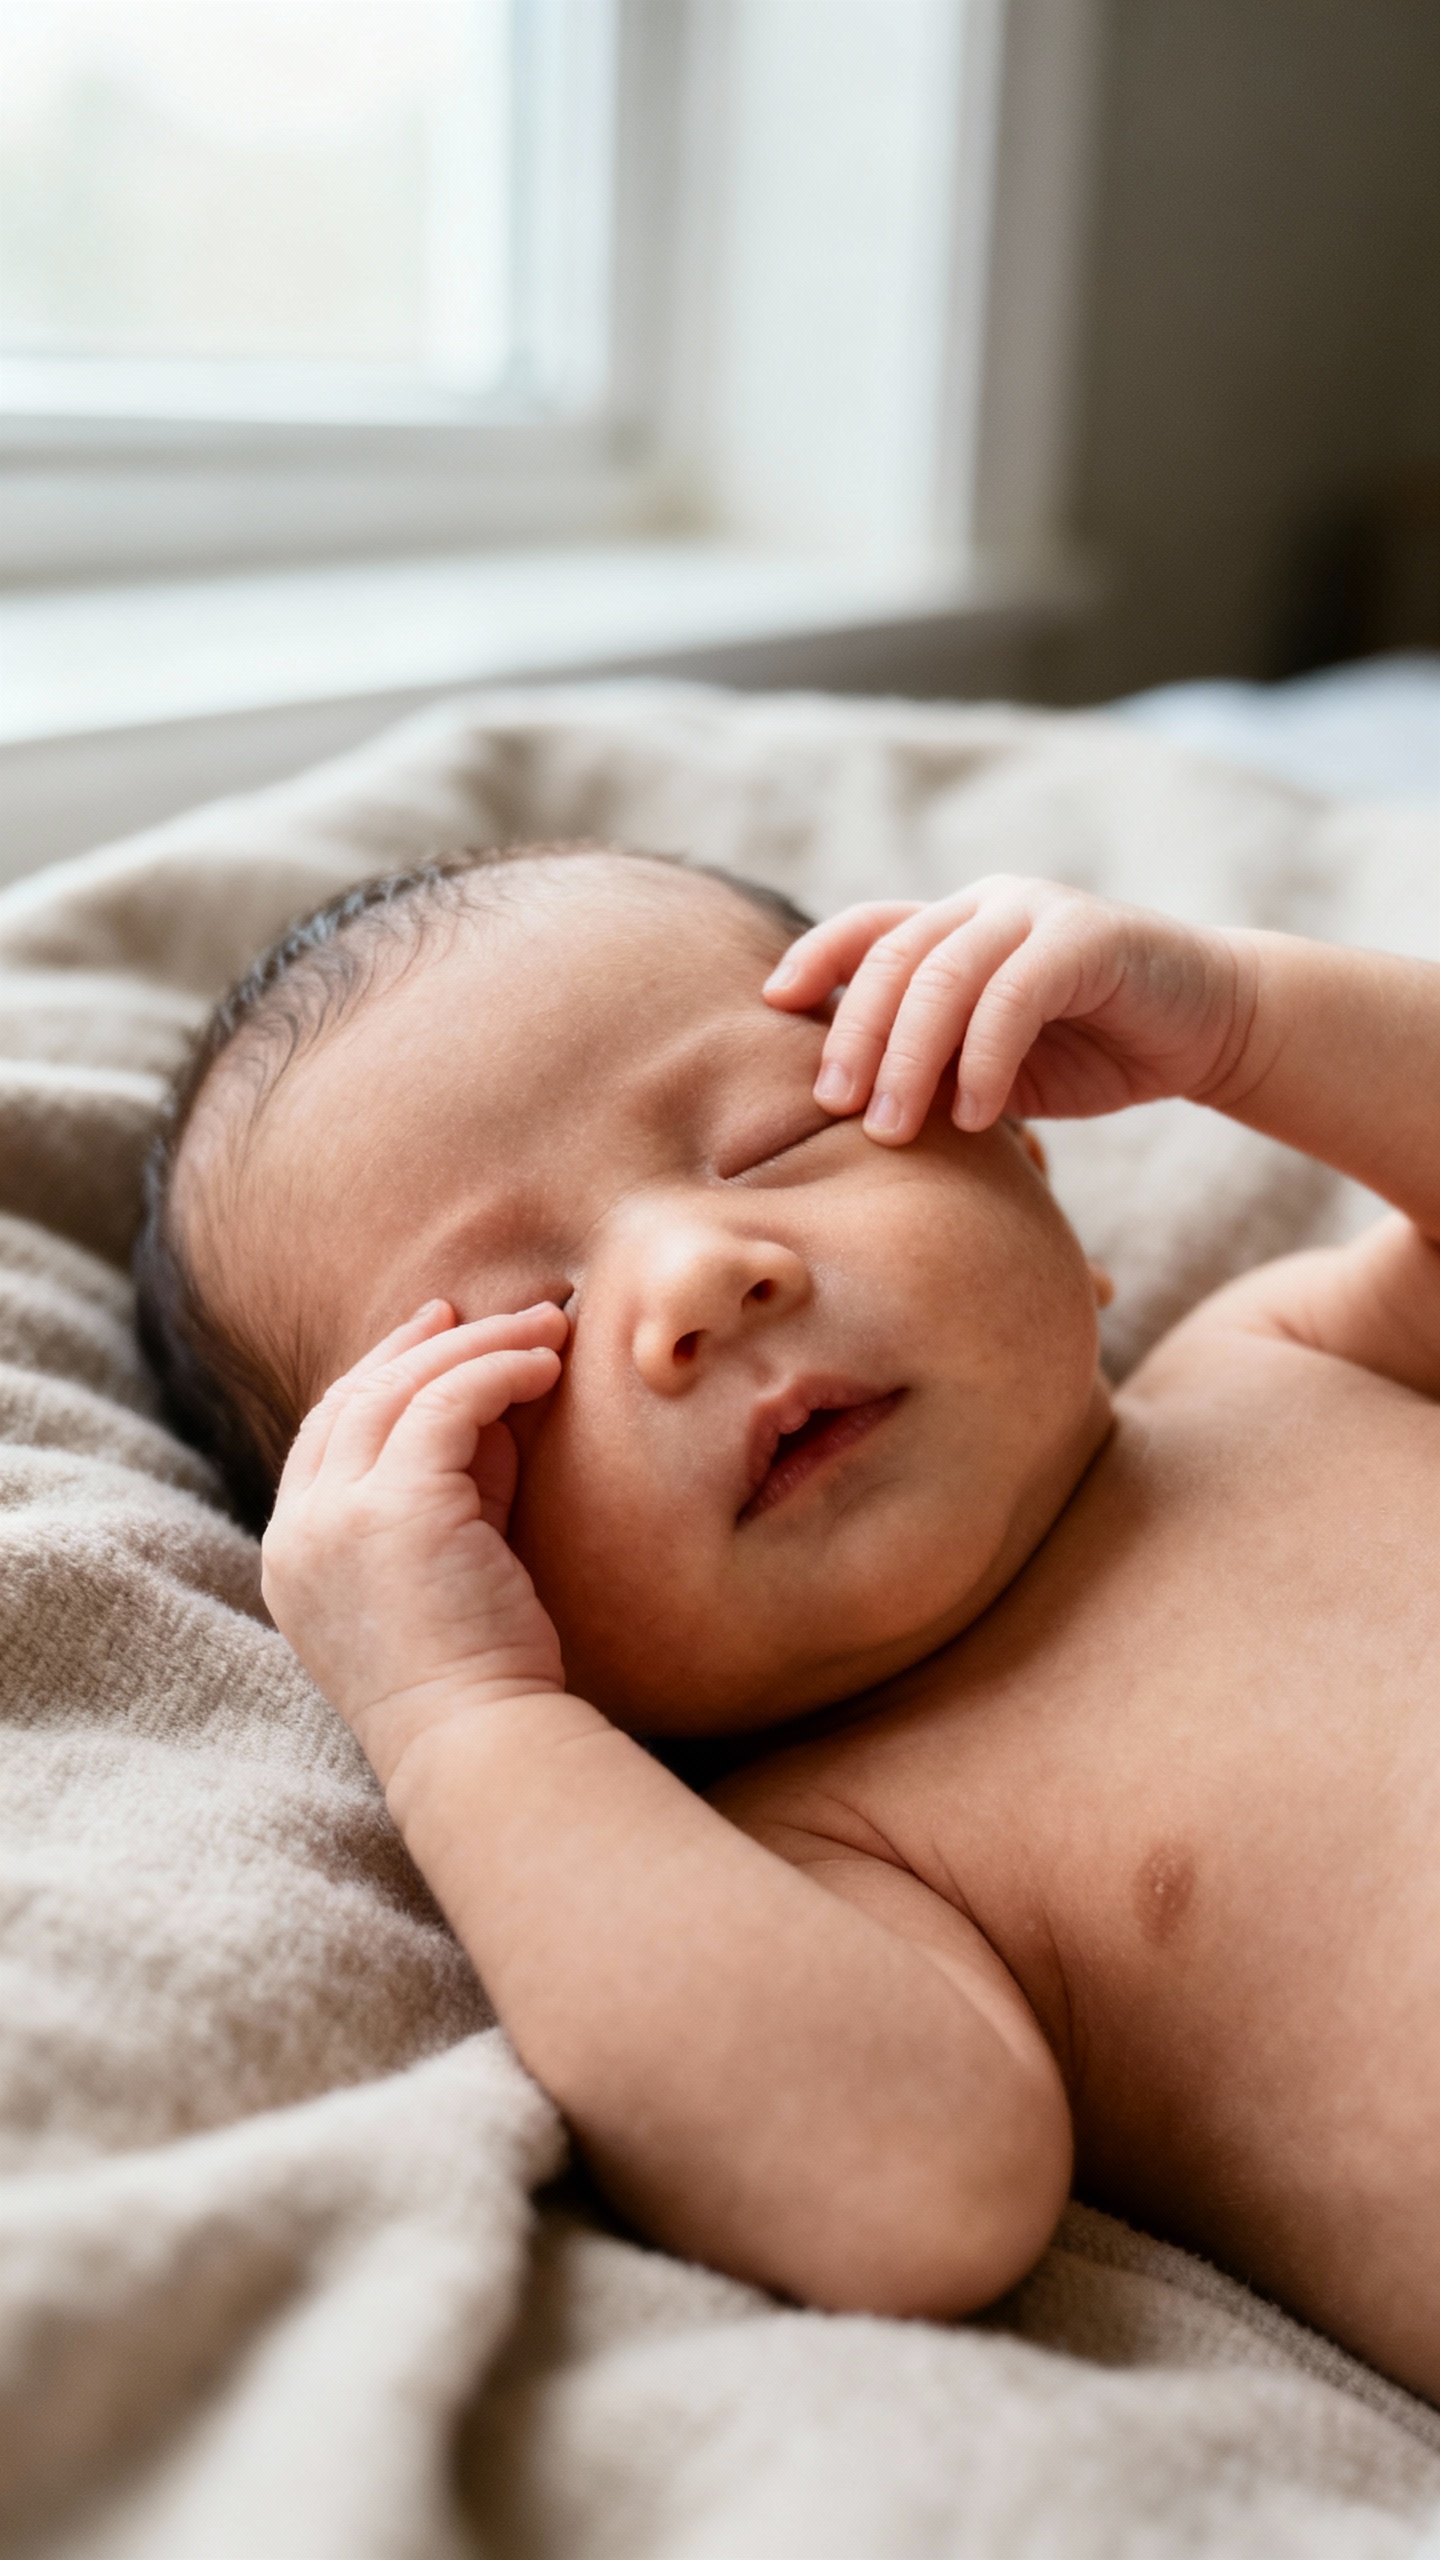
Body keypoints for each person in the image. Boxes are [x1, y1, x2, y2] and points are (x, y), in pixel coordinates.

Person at [136, 845, 1440, 2401]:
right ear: (448, 1542)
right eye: (509, 1342)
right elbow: (906, 2193)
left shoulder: (1285, 1354)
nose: (702, 1274)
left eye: (774, 1141)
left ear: (1028, 1161)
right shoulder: (838, 1848)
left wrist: (1242, 1021)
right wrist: (455, 1712)